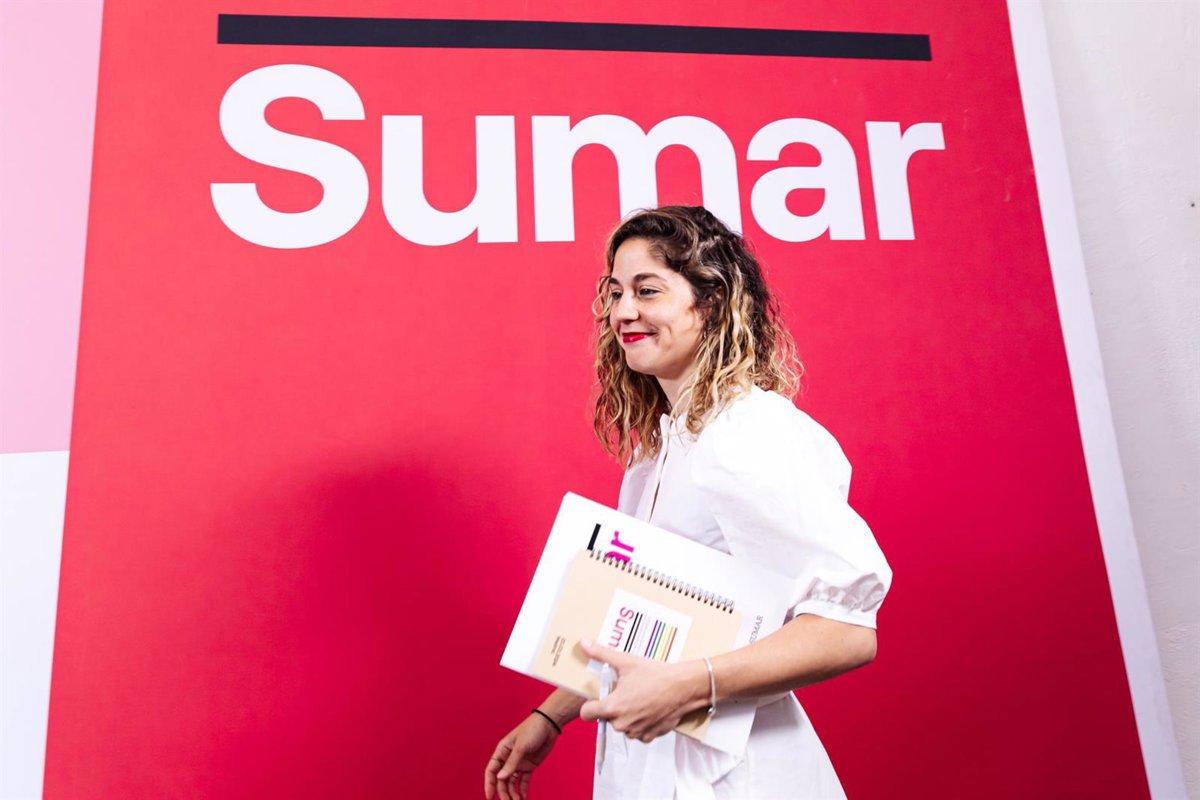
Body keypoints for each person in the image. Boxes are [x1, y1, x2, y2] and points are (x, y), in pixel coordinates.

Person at [484, 206, 892, 800]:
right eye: (615, 292)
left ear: (712, 301)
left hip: (739, 779)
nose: (622, 312)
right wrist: (552, 714)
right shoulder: (660, 449)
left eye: (647, 290)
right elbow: (645, 624)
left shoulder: (749, 433)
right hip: (655, 769)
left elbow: (847, 632)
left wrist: (687, 686)